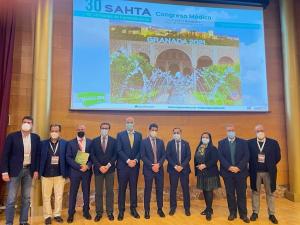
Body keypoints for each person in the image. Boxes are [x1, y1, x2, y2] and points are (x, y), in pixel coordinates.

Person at [1, 116, 40, 225]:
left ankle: (23, 221)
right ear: (21, 123)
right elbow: (5, 155)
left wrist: (36, 170)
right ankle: (9, 223)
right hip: (14, 172)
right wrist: (4, 171)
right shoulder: (12, 137)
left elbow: (37, 155)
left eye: (29, 122)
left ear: (32, 125)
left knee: (26, 198)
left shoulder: (36, 138)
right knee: (11, 199)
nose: (27, 124)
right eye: (25, 122)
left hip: (29, 171)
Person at [248, 124, 281, 224]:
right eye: (258, 131)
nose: (260, 132)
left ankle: (271, 214)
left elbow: (278, 157)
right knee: (255, 192)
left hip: (269, 172)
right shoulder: (250, 143)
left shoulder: (273, 143)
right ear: (255, 132)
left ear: (264, 131)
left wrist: (270, 164)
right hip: (255, 172)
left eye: (261, 130)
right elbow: (247, 156)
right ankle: (255, 212)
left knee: (270, 193)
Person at [218, 124, 250, 223]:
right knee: (230, 194)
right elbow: (220, 157)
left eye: (232, 130)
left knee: (241, 194)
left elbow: (246, 156)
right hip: (227, 173)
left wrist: (238, 167)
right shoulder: (221, 143)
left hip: (241, 172)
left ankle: (243, 214)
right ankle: (232, 213)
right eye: (229, 130)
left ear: (235, 131)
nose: (230, 132)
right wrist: (229, 167)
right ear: (226, 132)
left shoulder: (243, 142)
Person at [39, 124, 68, 225]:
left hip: (60, 174)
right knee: (46, 196)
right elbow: (38, 158)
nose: (54, 133)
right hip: (46, 174)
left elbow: (67, 158)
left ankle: (57, 214)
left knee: (59, 196)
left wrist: (67, 174)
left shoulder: (65, 143)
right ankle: (47, 216)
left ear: (59, 132)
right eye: (52, 131)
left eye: (56, 131)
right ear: (50, 132)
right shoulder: (43, 143)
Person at [116, 117, 142, 221]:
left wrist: (135, 160)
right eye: (128, 122)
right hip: (123, 167)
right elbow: (119, 150)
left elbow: (141, 150)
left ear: (134, 123)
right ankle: (121, 210)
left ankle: (133, 209)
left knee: (133, 188)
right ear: (125, 123)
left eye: (131, 122)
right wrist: (128, 161)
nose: (129, 124)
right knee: (122, 189)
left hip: (134, 167)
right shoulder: (120, 135)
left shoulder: (139, 135)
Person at [91, 122, 117, 221]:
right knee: (98, 192)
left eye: (106, 128)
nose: (104, 130)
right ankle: (99, 212)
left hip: (110, 170)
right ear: (100, 129)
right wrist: (99, 166)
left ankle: (110, 212)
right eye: (103, 128)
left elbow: (115, 155)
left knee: (110, 191)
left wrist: (107, 166)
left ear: (109, 129)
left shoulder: (114, 141)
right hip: (98, 171)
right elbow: (92, 155)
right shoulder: (94, 141)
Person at [66, 125, 92, 223]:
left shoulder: (90, 142)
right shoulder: (70, 143)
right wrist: (79, 167)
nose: (81, 131)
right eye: (79, 129)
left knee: (86, 192)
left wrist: (88, 166)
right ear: (76, 130)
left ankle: (86, 211)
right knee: (73, 193)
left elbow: (92, 157)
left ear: (85, 130)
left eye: (83, 129)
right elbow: (68, 157)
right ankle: (71, 213)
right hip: (74, 171)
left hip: (87, 171)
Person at [140, 123, 166, 219]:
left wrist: (158, 164)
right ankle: (147, 210)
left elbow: (164, 155)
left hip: (159, 169)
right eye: (152, 130)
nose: (154, 132)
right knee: (148, 190)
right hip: (148, 170)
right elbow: (142, 156)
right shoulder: (144, 142)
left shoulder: (160, 142)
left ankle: (160, 209)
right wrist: (152, 165)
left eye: (156, 130)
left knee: (160, 190)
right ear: (149, 130)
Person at [194, 132, 221, 221]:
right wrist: (198, 165)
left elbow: (214, 160)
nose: (204, 138)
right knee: (205, 190)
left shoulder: (213, 148)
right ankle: (208, 208)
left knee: (209, 191)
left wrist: (205, 165)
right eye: (203, 137)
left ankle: (209, 211)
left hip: (210, 172)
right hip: (201, 173)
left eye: (206, 137)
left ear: (209, 139)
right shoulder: (199, 148)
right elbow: (196, 158)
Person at [166, 128, 191, 216]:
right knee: (173, 189)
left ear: (181, 133)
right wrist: (176, 166)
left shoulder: (186, 143)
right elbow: (168, 156)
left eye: (178, 132)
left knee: (186, 189)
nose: (176, 134)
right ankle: (173, 207)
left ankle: (187, 208)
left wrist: (182, 166)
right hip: (173, 170)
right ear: (173, 134)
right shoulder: (170, 143)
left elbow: (188, 156)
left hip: (184, 170)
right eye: (174, 133)